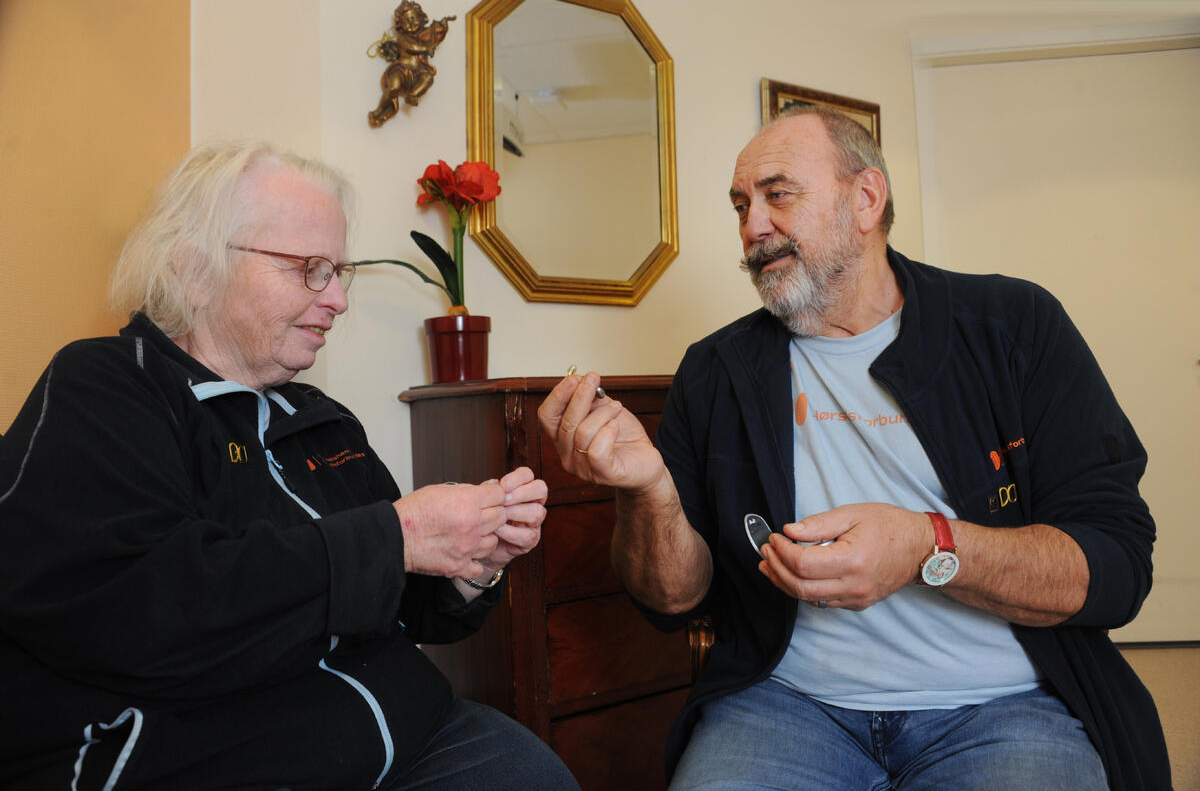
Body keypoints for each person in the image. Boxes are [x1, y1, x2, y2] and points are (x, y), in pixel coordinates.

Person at [538, 105, 1170, 790]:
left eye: (779, 195)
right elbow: (673, 599)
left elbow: (1115, 566)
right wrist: (648, 491)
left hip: (1005, 706)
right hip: (787, 706)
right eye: (742, 204)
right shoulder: (718, 369)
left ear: (866, 199)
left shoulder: (1013, 327)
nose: (753, 227)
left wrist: (929, 546)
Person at [0, 141, 579, 791]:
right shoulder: (106, 387)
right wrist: (402, 535)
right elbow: (140, 611)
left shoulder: (320, 417)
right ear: (194, 269)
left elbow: (418, 610)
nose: (338, 300)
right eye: (309, 268)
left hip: (417, 734)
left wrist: (475, 564)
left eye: (338, 271)